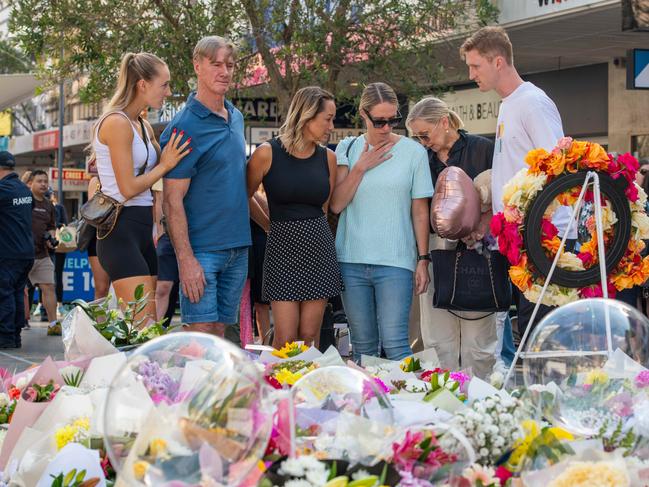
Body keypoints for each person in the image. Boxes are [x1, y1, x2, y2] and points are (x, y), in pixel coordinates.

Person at [460, 26, 568, 335]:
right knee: (526, 327)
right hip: (520, 237)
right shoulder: (510, 103)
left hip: (543, 238)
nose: (471, 74)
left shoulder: (532, 102)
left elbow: (557, 167)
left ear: (498, 62)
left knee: (541, 331)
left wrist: (536, 229)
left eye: (475, 65)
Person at [162, 36, 258, 338]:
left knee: (221, 335)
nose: (225, 72)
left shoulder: (236, 117)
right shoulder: (184, 126)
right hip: (202, 250)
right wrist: (186, 260)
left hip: (238, 247)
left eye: (229, 65)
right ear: (197, 65)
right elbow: (171, 202)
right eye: (216, 64)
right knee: (201, 336)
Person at [330, 82, 433, 362]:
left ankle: (404, 405)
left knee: (397, 343)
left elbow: (420, 211)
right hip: (351, 260)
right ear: (364, 115)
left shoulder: (414, 153)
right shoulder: (347, 148)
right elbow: (337, 204)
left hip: (396, 262)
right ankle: (368, 404)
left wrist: (423, 259)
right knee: (363, 347)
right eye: (380, 121)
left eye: (393, 121)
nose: (388, 128)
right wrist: (361, 167)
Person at [93, 52, 190, 322]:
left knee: (147, 325)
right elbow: (127, 187)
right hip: (119, 230)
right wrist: (165, 164)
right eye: (164, 84)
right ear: (142, 84)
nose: (169, 92)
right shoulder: (116, 123)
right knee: (141, 324)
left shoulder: (143, 125)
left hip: (142, 230)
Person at [406, 96, 497, 378]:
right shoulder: (420, 158)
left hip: (479, 247)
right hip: (435, 248)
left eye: (425, 134)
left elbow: (502, 196)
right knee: (436, 337)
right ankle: (441, 399)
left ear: (444, 122)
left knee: (478, 338)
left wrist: (482, 226)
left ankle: (480, 397)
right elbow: (418, 207)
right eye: (417, 136)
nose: (422, 142)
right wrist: (422, 258)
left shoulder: (483, 148)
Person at [247, 86, 342, 347]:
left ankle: (304, 389)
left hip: (318, 247)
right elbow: (245, 195)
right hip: (281, 248)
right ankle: (277, 388)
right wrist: (269, 225)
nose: (331, 126)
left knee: (309, 336)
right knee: (285, 338)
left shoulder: (328, 158)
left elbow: (323, 209)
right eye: (328, 118)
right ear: (307, 115)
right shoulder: (267, 153)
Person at [0, 151, 34, 348]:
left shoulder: (3, 189)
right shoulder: (23, 190)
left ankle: (5, 338)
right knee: (16, 293)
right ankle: (16, 337)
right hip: (26, 252)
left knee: (4, 294)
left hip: (8, 252)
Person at [27, 170, 59, 330]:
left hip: (42, 255)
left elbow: (52, 226)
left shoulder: (49, 205)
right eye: (39, 181)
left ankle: (53, 324)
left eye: (45, 181)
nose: (43, 184)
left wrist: (51, 239)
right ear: (30, 183)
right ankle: (19, 322)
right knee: (22, 290)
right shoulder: (24, 201)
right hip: (23, 254)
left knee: (49, 286)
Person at [86, 176, 111, 301]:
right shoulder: (96, 181)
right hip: (99, 235)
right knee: (101, 289)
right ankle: (100, 321)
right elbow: (94, 210)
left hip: (126, 233)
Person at [51, 191, 69, 313]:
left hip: (58, 246)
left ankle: (59, 304)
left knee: (57, 275)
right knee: (48, 278)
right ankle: (43, 305)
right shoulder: (43, 207)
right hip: (48, 247)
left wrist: (57, 226)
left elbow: (65, 224)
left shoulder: (59, 208)